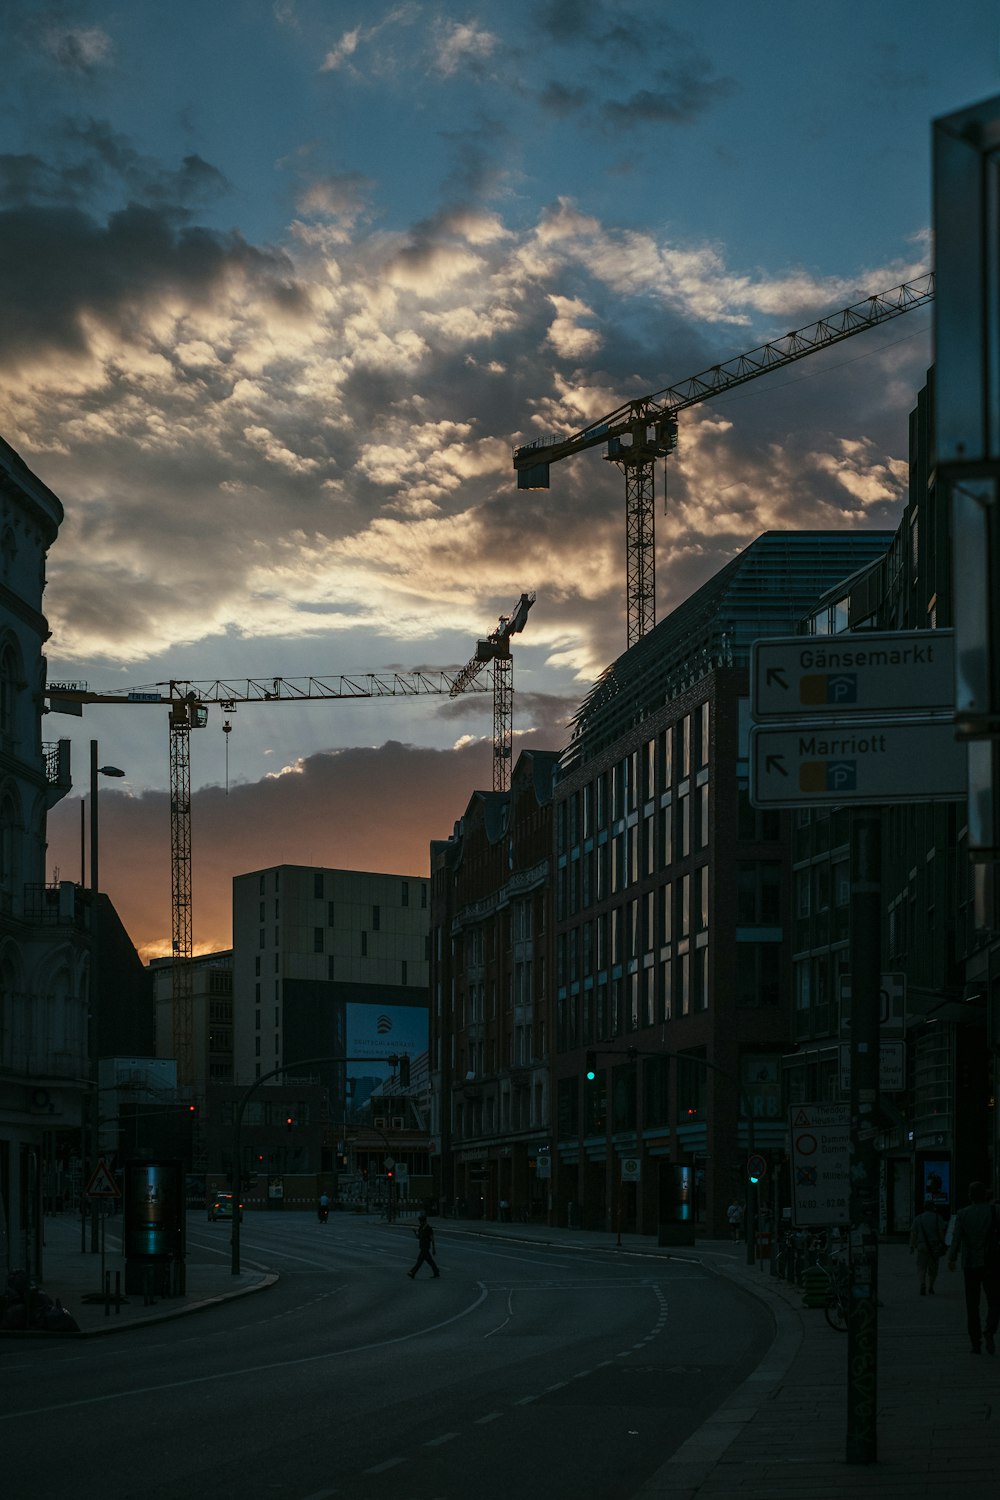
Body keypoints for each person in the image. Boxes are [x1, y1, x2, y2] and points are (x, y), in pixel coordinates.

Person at [946, 1181, 1000, 1354]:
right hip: (991, 1263)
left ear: (970, 1196)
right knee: (995, 1300)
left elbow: (956, 1239)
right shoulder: (995, 1211)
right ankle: (990, 1330)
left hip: (970, 1264)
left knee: (972, 1304)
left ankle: (975, 1342)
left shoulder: (963, 1214)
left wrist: (952, 1257)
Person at [909, 1197, 946, 1295]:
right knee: (933, 1268)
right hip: (934, 1247)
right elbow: (940, 1232)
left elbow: (913, 1234)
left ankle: (922, 1283)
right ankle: (931, 1286)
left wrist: (912, 1246)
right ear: (933, 1208)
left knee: (921, 1267)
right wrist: (944, 1243)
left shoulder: (918, 1218)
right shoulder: (938, 1217)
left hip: (921, 1246)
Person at [408, 1213, 440, 1279]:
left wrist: (434, 1248)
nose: (420, 1222)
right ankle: (436, 1271)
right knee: (429, 1261)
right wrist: (414, 1232)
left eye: (421, 1221)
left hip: (425, 1247)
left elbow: (432, 1238)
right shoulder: (421, 1227)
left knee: (420, 1260)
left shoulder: (428, 1228)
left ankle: (412, 1272)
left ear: (425, 1221)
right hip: (422, 1246)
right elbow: (419, 1237)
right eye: (420, 1221)